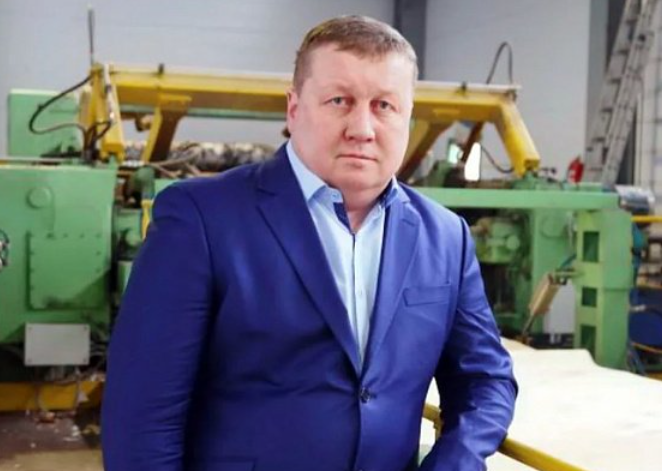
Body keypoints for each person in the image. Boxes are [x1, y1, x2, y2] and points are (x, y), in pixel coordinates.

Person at [102, 15, 517, 471]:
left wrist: (454, 461)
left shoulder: (446, 237)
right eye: (340, 100)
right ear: (294, 108)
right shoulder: (202, 219)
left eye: (384, 105)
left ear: (407, 116)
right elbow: (142, 418)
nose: (362, 128)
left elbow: (486, 380)